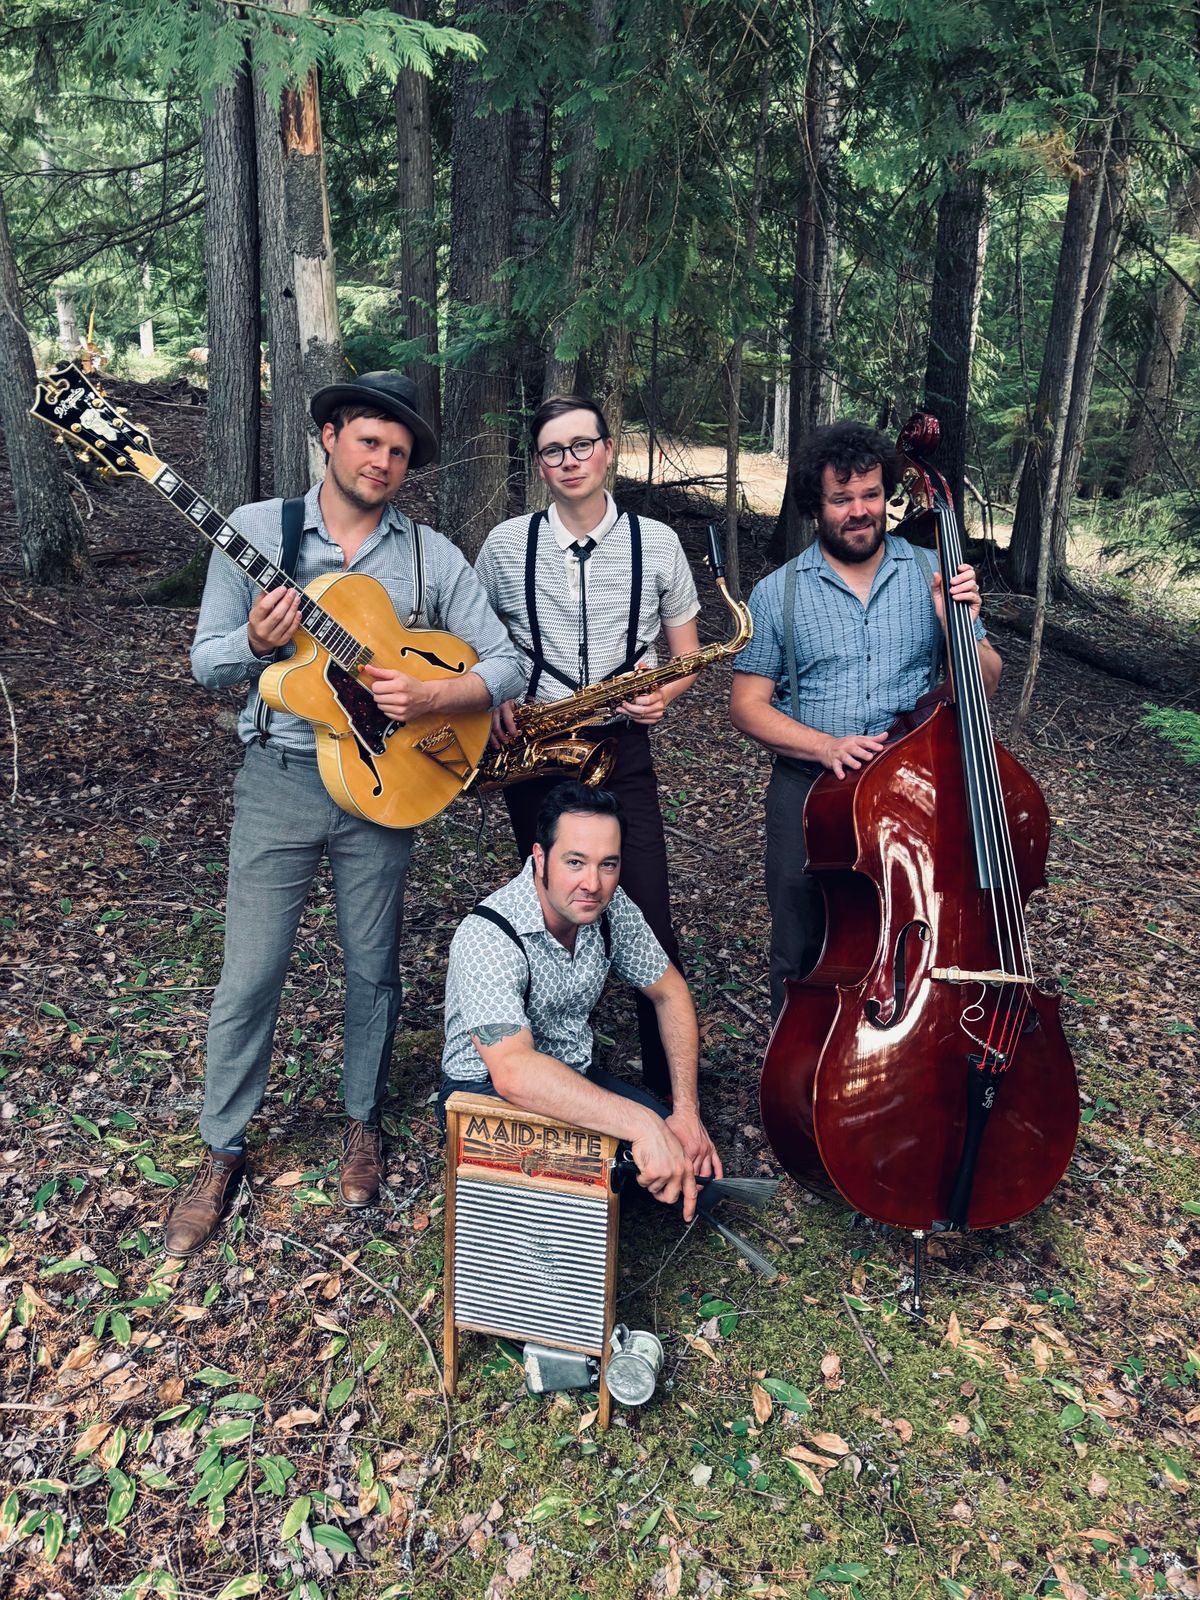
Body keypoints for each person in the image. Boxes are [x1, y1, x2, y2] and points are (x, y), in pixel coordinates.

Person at [164, 372, 524, 1255]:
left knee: (373, 968)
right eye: (369, 441)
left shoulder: (430, 555)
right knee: (250, 974)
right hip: (281, 778)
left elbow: (507, 663)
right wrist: (253, 642)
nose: (383, 462)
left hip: (382, 789)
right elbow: (206, 661)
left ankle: (362, 1121)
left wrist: (436, 695)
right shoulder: (258, 532)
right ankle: (223, 1147)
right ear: (329, 436)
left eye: (399, 452)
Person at [729, 419, 1003, 1018]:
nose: (859, 511)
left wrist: (955, 623)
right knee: (801, 945)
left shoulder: (933, 571)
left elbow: (983, 683)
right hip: (809, 791)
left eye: (871, 494)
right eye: (842, 498)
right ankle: (798, 1059)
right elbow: (746, 705)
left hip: (914, 793)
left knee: (907, 934)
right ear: (815, 505)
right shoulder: (778, 592)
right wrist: (825, 747)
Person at [474, 395, 700, 1098]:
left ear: (608, 450)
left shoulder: (658, 543)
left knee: (648, 915)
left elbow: (687, 655)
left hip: (621, 748)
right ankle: (550, 1082)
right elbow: (472, 645)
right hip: (535, 749)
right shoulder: (504, 545)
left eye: (582, 445)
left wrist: (664, 696)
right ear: (539, 465)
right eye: (553, 450)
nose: (570, 461)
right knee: (549, 916)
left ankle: (668, 1098)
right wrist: (492, 695)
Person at [440, 782, 722, 1220]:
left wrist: (686, 1112)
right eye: (575, 862)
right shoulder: (488, 935)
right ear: (540, 857)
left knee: (696, 1179)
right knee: (589, 1201)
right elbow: (513, 1073)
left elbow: (670, 992)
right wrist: (643, 1123)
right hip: (484, 1094)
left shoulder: (612, 909)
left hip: (573, 1077)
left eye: (608, 864)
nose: (592, 884)